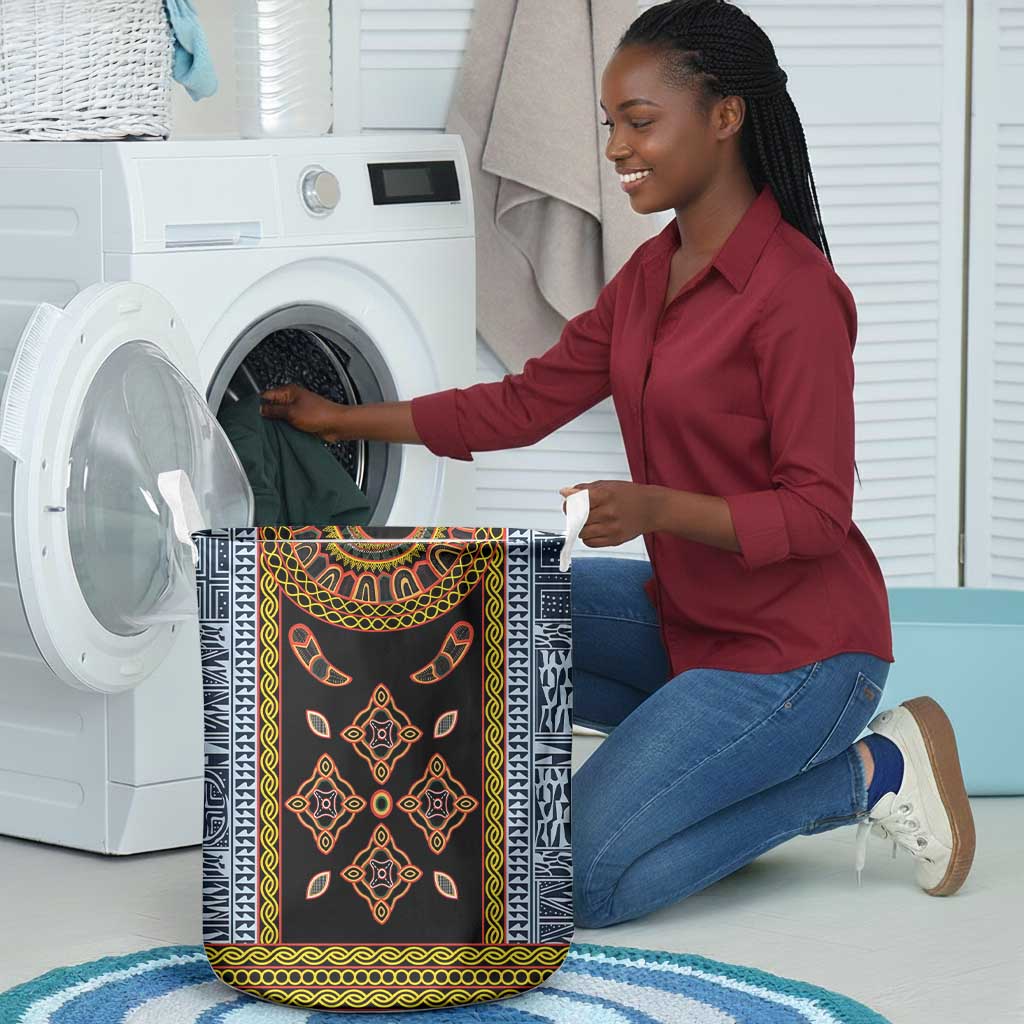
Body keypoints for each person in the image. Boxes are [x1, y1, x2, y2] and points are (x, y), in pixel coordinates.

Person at [258, 0, 975, 928]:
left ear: (725, 117)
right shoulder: (648, 277)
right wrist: (343, 415)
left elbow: (816, 516)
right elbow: (518, 404)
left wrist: (656, 509)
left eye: (640, 122)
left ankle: (870, 771)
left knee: (576, 883)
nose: (616, 150)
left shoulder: (796, 295)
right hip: (690, 620)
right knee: (467, 606)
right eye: (610, 125)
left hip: (800, 656)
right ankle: (665, 778)